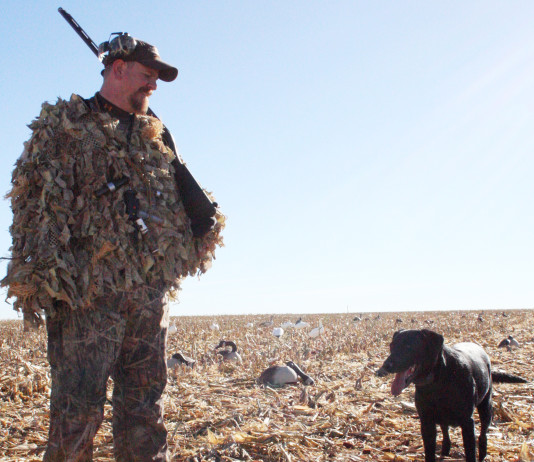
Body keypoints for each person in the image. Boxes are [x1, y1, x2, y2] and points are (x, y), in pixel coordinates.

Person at [2, 35, 224, 461]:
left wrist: (193, 240)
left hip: (148, 298)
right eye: (146, 76)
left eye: (157, 79)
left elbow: (182, 203)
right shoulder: (65, 128)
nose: (153, 86)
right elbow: (36, 206)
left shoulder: (155, 135)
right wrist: (49, 280)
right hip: (87, 299)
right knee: (77, 415)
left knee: (145, 412)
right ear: (117, 68)